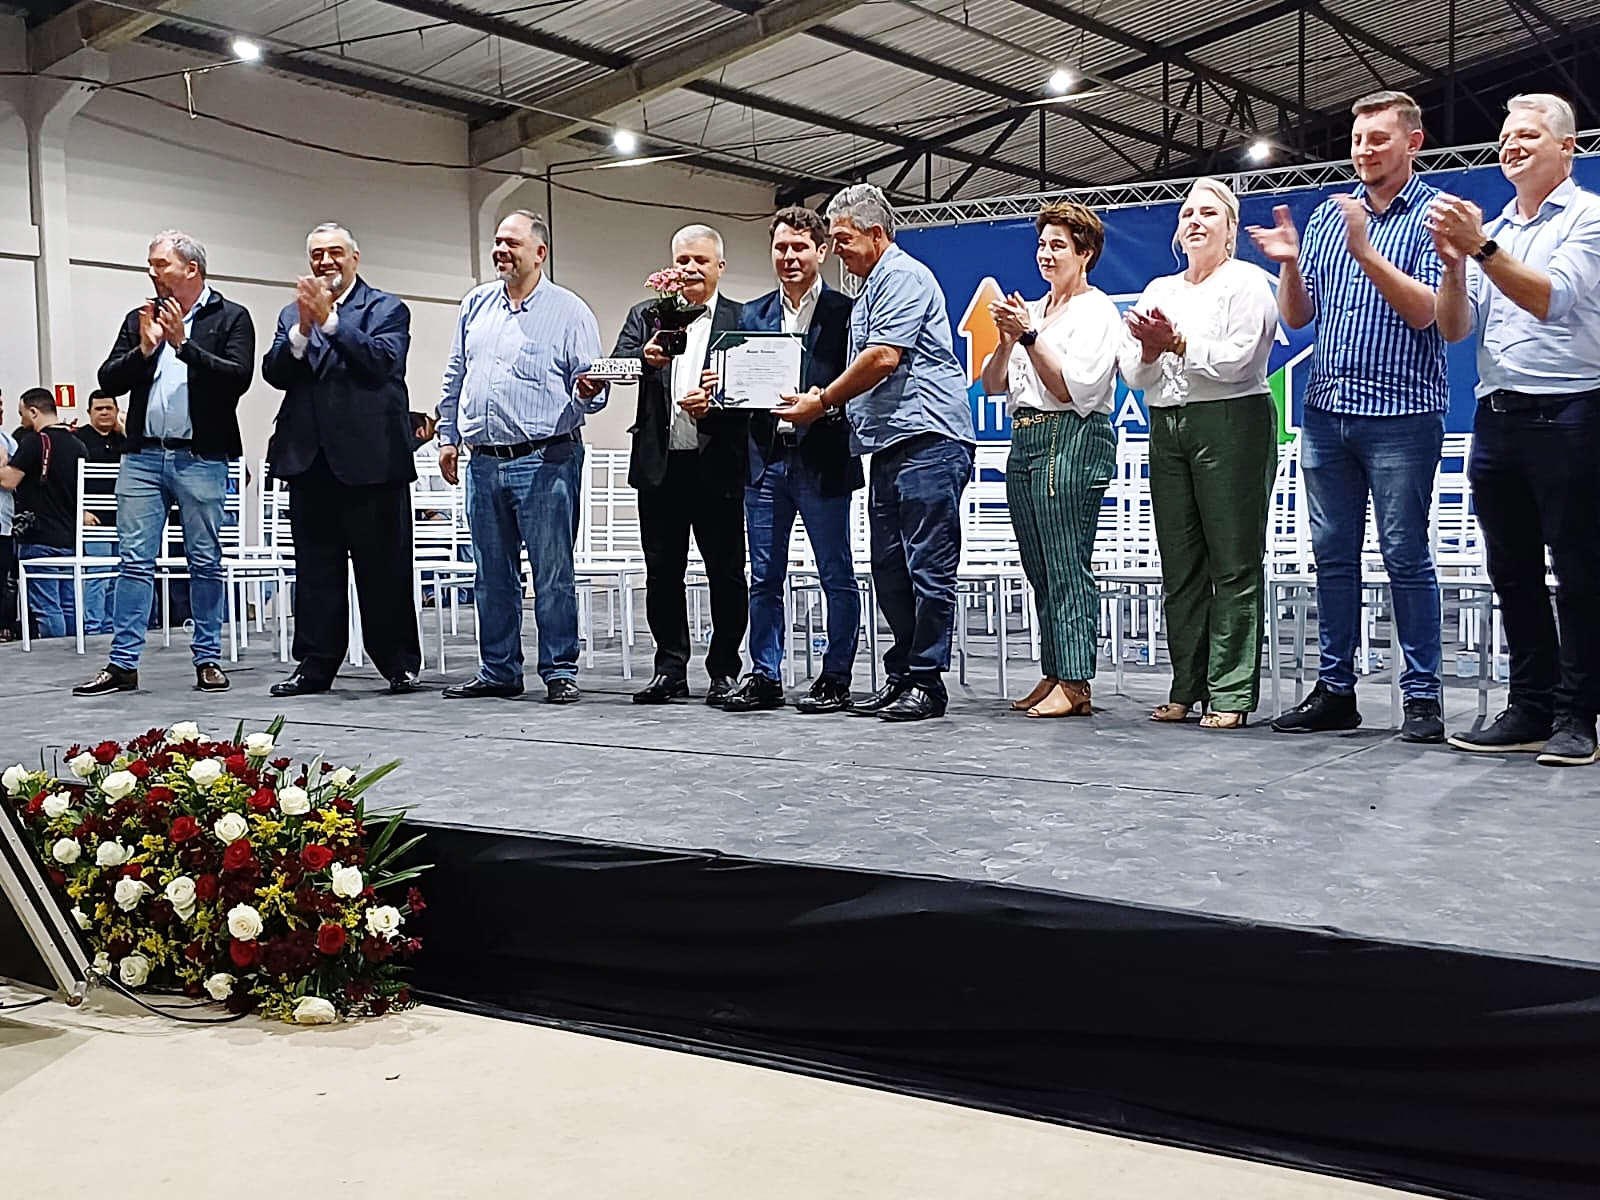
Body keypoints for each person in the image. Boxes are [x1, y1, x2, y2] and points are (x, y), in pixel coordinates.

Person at [1248, 90, 1456, 743]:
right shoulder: (1327, 218)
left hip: (1403, 413)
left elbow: (1427, 313)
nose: (1364, 151)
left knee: (1404, 554)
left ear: (1413, 143)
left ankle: (1422, 696)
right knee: (1332, 556)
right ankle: (1335, 689)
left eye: (1378, 139)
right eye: (1358, 139)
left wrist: (1367, 251)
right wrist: (1289, 265)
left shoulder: (1434, 217)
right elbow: (1298, 316)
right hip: (1327, 412)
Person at [1430, 94, 1600, 767]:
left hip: (1573, 412)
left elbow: (1552, 298)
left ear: (1567, 146)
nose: (1512, 147)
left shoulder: (1588, 218)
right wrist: (1453, 267)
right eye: (1505, 138)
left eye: (1528, 135)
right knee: (1512, 570)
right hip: (1496, 415)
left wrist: (1479, 248)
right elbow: (1454, 327)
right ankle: (1530, 705)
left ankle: (1578, 715)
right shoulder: (1496, 228)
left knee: (1580, 572)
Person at [777, 184, 976, 722]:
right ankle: (903, 673)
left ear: (877, 233)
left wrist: (821, 401)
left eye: (843, 239)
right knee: (889, 567)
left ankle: (927, 681)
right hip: (888, 443)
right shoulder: (868, 286)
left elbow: (884, 357)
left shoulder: (903, 276)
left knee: (927, 566)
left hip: (929, 439)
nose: (836, 249)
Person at [1121, 179, 1280, 730]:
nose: (1195, 221)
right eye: (1187, 212)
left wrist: (1178, 343)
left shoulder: (1248, 283)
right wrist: (1150, 349)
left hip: (1232, 419)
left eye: (1209, 213)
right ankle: (1186, 686)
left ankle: (1230, 690)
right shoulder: (1160, 288)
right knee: (1180, 563)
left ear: (1230, 228)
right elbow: (1134, 373)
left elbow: (1241, 360)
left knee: (1233, 561)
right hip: (1167, 423)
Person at [436, 210, 607, 703]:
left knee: (552, 573)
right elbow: (456, 374)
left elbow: (594, 390)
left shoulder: (570, 311)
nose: (501, 250)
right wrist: (448, 436)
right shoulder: (475, 305)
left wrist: (589, 390)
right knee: (491, 573)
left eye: (511, 242)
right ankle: (499, 670)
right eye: (497, 241)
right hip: (483, 460)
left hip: (546, 458)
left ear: (540, 252)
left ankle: (559, 670)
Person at [75, 229, 255, 696]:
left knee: (205, 560)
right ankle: (122, 664)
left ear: (191, 268)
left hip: (200, 456)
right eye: (151, 264)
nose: (152, 272)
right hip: (142, 456)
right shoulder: (141, 317)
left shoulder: (231, 317)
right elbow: (108, 380)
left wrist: (183, 345)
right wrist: (146, 349)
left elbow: (237, 379)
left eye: (160, 263)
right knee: (134, 560)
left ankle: (208, 658)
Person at [262, 222, 423, 697]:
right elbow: (275, 373)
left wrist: (331, 322)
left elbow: (381, 363)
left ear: (355, 258)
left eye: (335, 252)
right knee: (315, 572)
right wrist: (302, 331)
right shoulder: (292, 313)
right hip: (309, 462)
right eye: (317, 254)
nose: (325, 261)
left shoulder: (386, 308)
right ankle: (315, 665)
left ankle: (397, 662)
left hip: (372, 462)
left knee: (384, 569)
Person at [717, 206, 861, 714]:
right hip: (766, 460)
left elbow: (860, 382)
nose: (790, 256)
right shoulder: (750, 315)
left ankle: (836, 676)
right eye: (781, 247)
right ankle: (765, 675)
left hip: (823, 458)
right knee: (764, 576)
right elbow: (734, 386)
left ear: (821, 251)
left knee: (835, 574)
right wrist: (721, 384)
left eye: (800, 247)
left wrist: (824, 402)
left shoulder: (847, 312)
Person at [980, 201, 1121, 719]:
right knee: (1039, 565)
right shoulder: (1034, 310)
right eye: (1042, 244)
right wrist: (1007, 342)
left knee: (1066, 562)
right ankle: (1056, 670)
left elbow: (1069, 389)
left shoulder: (1097, 311)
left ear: (1085, 254)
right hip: (1025, 437)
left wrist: (1030, 337)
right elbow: (993, 384)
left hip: (1072, 435)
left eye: (1058, 245)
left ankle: (1076, 679)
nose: (1045, 253)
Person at [614, 224, 747, 706]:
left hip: (718, 463)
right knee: (662, 572)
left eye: (700, 261)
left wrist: (719, 401)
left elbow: (756, 389)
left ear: (720, 267)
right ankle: (669, 669)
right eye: (682, 261)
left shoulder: (741, 318)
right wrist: (645, 359)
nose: (690, 269)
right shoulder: (646, 314)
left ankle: (724, 669)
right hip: (660, 465)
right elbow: (617, 365)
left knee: (726, 573)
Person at [0, 388, 86, 639]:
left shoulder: (35, 442)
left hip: (40, 537)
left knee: (47, 606)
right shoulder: (78, 445)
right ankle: (74, 650)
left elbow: (8, 481)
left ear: (34, 411)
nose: (22, 420)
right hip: (70, 537)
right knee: (69, 604)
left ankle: (53, 654)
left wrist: (3, 461)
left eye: (22, 414)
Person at [72, 389, 125, 635]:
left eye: (109, 408)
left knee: (120, 577)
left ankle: (113, 626)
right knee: (98, 574)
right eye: (99, 409)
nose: (104, 413)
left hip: (123, 518)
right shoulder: (78, 440)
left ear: (117, 411)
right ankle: (93, 628)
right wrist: (81, 510)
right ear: (89, 412)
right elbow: (69, 480)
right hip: (94, 520)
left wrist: (125, 430)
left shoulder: (124, 440)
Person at [0, 416, 18, 641]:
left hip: (3, 522)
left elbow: (11, 479)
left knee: (3, 580)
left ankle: (3, 625)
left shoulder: (8, 440)